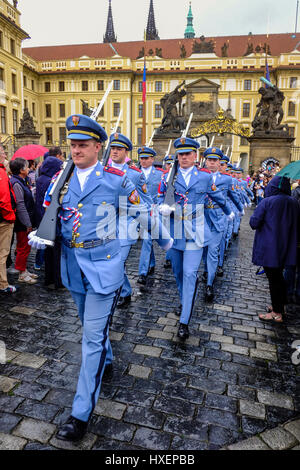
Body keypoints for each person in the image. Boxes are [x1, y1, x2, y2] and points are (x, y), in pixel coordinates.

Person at [29, 114, 172, 441]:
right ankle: (106, 358)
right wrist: (42, 232)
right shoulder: (61, 179)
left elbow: (141, 211)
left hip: (104, 265)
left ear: (98, 146)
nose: (76, 150)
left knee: (91, 338)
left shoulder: (115, 180)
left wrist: (166, 239)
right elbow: (51, 211)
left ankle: (79, 415)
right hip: (72, 265)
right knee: (88, 325)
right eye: (73, 145)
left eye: (82, 145)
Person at [158, 139, 232, 340]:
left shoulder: (205, 177)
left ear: (195, 156)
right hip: (174, 233)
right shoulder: (168, 178)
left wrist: (228, 212)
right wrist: (160, 208)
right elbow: (159, 199)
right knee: (179, 273)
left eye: (187, 154)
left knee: (190, 273)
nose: (183, 157)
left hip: (196, 233)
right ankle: (185, 298)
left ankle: (184, 321)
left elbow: (217, 197)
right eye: (180, 154)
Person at [108, 132, 153, 308]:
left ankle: (122, 292)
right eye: (112, 148)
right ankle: (126, 290)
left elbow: (146, 199)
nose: (114, 152)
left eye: (119, 149)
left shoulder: (135, 174)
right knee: (111, 261)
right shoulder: (103, 170)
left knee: (119, 261)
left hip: (127, 221)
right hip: (108, 222)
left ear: (126, 152)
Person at [250, 175, 299, 323]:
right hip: (287, 247)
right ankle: (279, 306)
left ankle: (277, 313)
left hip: (270, 247)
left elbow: (254, 222)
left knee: (274, 279)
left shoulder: (267, 201)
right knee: (279, 277)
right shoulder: (293, 202)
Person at [201, 148, 237, 301]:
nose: (212, 163)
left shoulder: (226, 179)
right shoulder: (199, 176)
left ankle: (210, 283)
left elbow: (231, 195)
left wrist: (238, 209)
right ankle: (207, 270)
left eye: (215, 160)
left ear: (219, 162)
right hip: (201, 218)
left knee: (213, 251)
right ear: (205, 161)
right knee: (203, 249)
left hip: (218, 218)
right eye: (209, 160)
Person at [137, 146, 165, 285]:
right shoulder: (135, 173)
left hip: (153, 211)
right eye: (141, 158)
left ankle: (143, 272)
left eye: (146, 158)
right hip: (137, 211)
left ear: (152, 159)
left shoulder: (160, 174)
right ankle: (151, 263)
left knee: (147, 239)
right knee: (146, 240)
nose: (143, 160)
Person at [35, 156, 63, 286]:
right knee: (56, 252)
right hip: (52, 219)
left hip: (44, 217)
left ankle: (48, 278)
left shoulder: (41, 178)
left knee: (48, 250)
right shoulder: (53, 180)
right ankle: (57, 279)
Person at [9, 158, 38, 284]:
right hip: (22, 221)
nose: (29, 169)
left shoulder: (22, 181)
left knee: (26, 247)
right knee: (22, 247)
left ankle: (24, 270)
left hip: (26, 219)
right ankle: (21, 273)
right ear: (21, 170)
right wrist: (27, 223)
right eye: (27, 167)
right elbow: (20, 205)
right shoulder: (16, 183)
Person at [0, 145, 17, 293]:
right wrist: (11, 217)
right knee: (3, 252)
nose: (5, 156)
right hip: (3, 220)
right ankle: (3, 284)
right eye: (4, 153)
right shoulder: (1, 173)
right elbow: (4, 199)